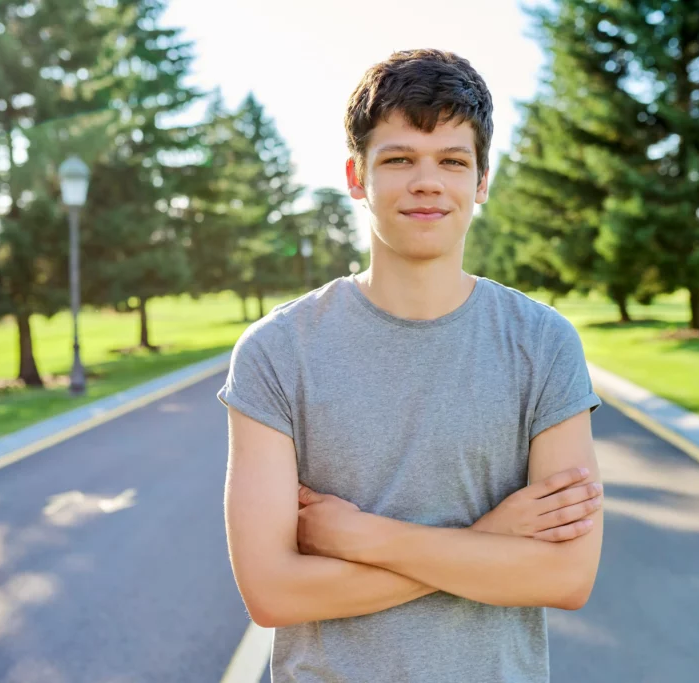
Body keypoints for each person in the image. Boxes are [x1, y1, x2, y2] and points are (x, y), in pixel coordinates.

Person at [218, 48, 604, 683]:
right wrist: (490, 539)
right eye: (398, 159)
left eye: (452, 161)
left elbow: (566, 576)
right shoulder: (276, 352)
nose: (427, 181)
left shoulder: (544, 343)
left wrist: (361, 537)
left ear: (481, 181)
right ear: (356, 175)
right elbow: (273, 593)